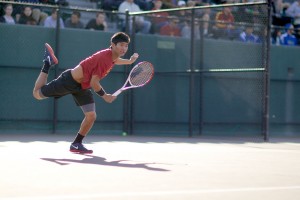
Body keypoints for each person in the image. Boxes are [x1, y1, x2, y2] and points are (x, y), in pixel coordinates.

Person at [32, 32, 139, 154]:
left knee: (91, 116)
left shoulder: (112, 56)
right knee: (37, 94)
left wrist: (129, 62)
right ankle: (47, 63)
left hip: (83, 87)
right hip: (69, 81)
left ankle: (76, 143)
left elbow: (116, 61)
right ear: (113, 45)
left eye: (126, 46)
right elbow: (94, 83)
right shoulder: (104, 59)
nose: (124, 48)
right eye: (121, 45)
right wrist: (105, 96)